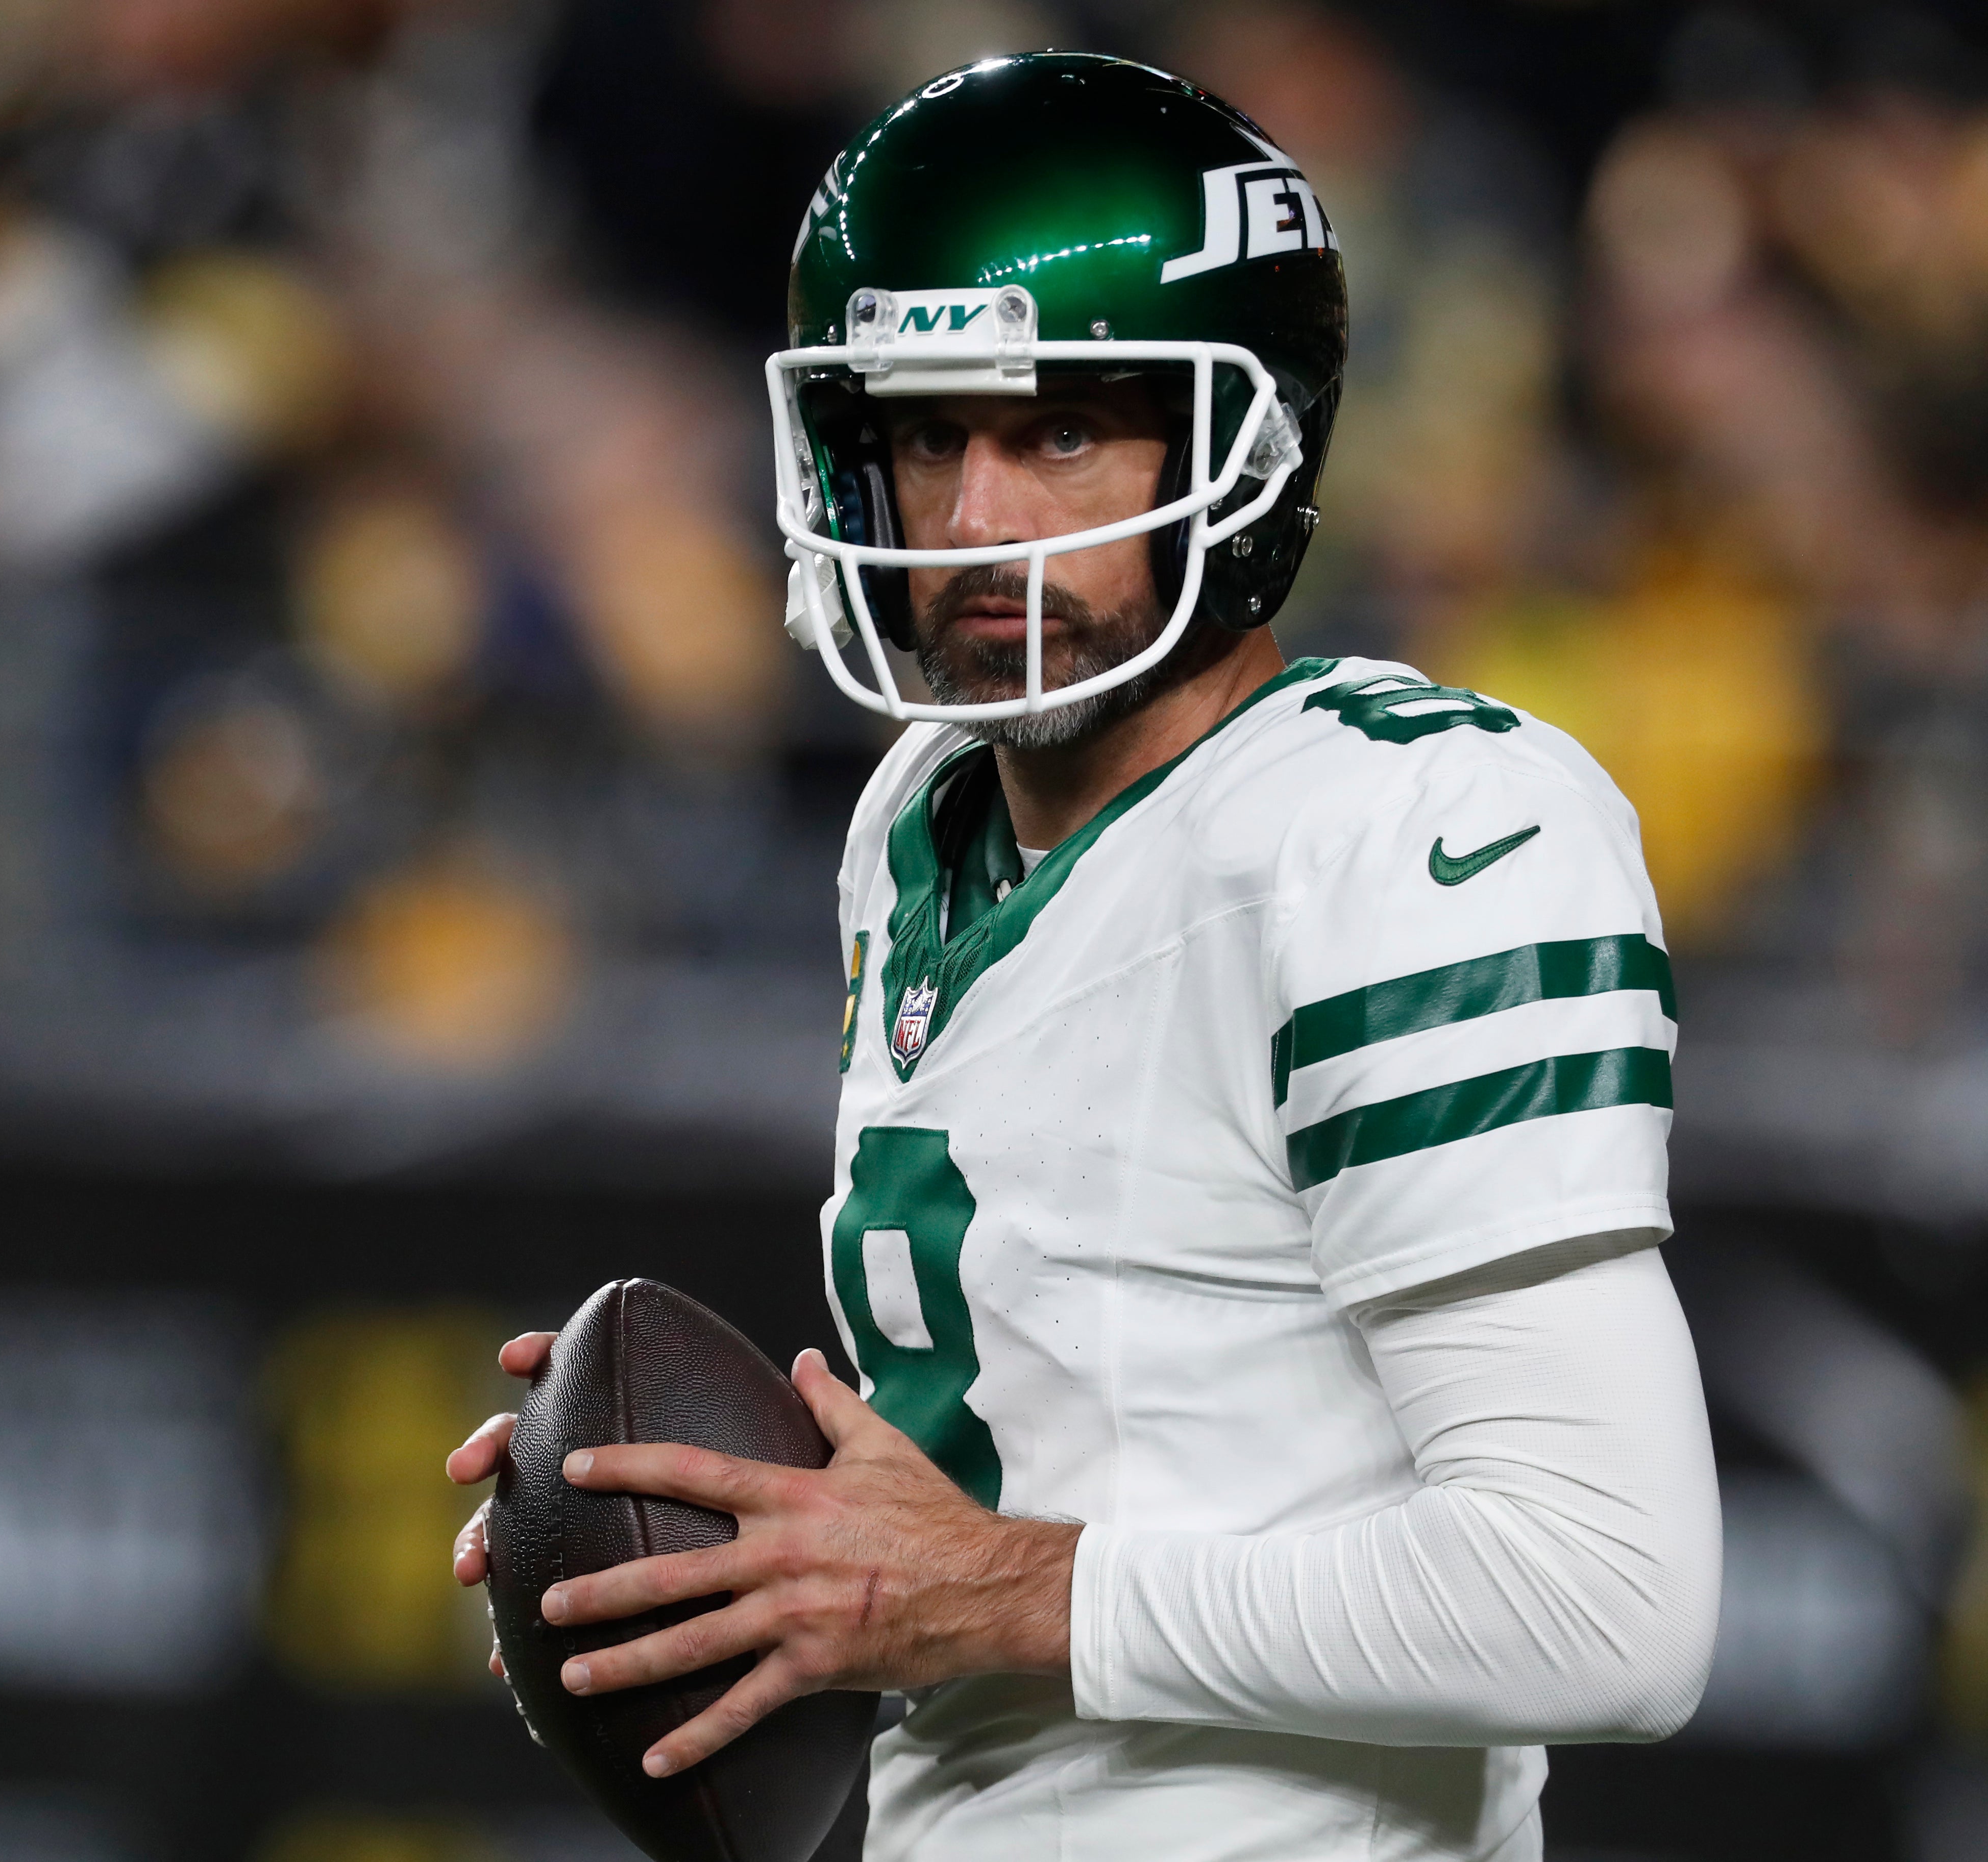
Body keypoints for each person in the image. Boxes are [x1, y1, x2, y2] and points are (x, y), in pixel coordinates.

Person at [449, 53, 1717, 1862]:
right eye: (923, 434)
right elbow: (1117, 1413)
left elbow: (1611, 1600)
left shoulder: (1406, 831)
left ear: (1243, 445)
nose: (975, 524)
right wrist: (725, 1543)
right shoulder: (916, 814)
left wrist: (977, 1594)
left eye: (1059, 433)